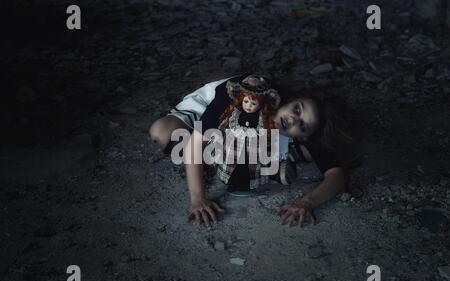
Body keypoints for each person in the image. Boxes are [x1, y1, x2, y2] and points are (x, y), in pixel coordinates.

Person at [149, 74, 358, 228]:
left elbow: (337, 174)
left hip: (255, 135)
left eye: (302, 125)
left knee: (248, 158)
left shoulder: (308, 123)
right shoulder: (247, 94)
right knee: (161, 132)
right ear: (290, 100)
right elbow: (195, 142)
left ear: (304, 135)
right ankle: (216, 158)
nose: (294, 118)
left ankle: (279, 154)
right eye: (296, 109)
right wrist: (198, 198)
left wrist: (306, 202)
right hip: (211, 110)